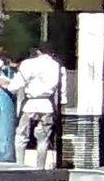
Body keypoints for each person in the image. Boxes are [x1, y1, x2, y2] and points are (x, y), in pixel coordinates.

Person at [13, 37, 69, 165]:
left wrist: (8, 86)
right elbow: (62, 91)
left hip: (29, 104)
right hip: (47, 105)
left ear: (38, 52)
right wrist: (62, 107)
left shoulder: (28, 64)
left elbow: (16, 85)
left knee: (21, 136)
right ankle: (40, 168)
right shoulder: (58, 67)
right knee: (43, 139)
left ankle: (19, 165)